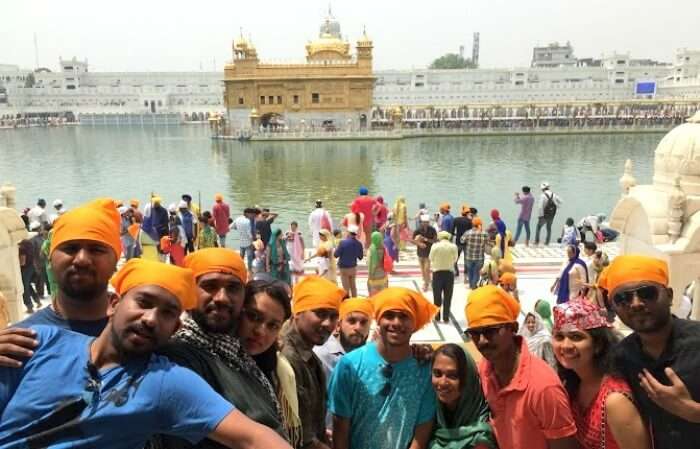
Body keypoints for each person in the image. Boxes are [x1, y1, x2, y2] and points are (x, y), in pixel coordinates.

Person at [0, 258, 291, 449]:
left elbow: (255, 437)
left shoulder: (165, 381)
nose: (151, 319)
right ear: (113, 303)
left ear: (175, 326)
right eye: (144, 302)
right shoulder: (38, 342)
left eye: (166, 313)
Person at [152, 249, 289, 449]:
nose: (222, 298)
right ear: (189, 292)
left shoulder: (239, 357)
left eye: (233, 288)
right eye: (209, 286)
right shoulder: (177, 359)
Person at [601, 255, 700, 449]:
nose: (636, 303)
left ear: (670, 295)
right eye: (623, 298)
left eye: (647, 293)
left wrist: (692, 411)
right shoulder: (621, 357)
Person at [465, 285, 578, 449]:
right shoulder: (485, 368)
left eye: (491, 331)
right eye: (475, 333)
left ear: (513, 328)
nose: (482, 340)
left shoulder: (543, 388)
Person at [329, 287, 438, 449]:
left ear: (414, 322)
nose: (396, 323)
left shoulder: (424, 368)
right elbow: (340, 428)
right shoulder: (350, 365)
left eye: (404, 316)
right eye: (389, 315)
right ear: (378, 320)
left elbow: (422, 430)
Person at [552, 297, 651, 449]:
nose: (565, 346)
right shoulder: (572, 383)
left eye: (576, 337)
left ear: (598, 345)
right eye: (559, 337)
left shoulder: (615, 400)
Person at [281, 275, 345, 449]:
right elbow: (301, 438)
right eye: (320, 314)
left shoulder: (308, 355)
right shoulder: (287, 358)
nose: (328, 323)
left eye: (333, 317)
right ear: (298, 312)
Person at [237, 280, 302, 447]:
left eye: (272, 326)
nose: (260, 331)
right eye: (253, 317)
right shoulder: (214, 363)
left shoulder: (279, 370)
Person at [429, 343, 497, 449]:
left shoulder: (482, 437)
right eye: (437, 374)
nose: (442, 382)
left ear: (468, 379)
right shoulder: (429, 417)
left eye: (452, 375)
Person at [314, 297, 373, 383]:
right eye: (352, 321)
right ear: (338, 325)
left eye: (363, 322)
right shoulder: (321, 355)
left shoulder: (370, 356)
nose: (358, 328)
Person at [430, 231, 458, 323]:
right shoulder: (453, 246)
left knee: (437, 296)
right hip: (449, 273)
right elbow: (455, 259)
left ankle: (437, 316)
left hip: (437, 273)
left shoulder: (435, 246)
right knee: (448, 296)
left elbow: (431, 258)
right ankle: (446, 317)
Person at [334, 225, 364, 297]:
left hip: (344, 268)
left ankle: (347, 303)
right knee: (353, 286)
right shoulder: (359, 244)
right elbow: (360, 257)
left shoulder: (342, 243)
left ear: (349, 233)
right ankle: (354, 301)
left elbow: (336, 255)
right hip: (353, 267)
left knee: (346, 288)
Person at [461, 217, 488, 289]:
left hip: (469, 256)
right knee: (477, 272)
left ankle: (471, 284)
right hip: (479, 257)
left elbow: (462, 241)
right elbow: (487, 241)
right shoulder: (484, 233)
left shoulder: (468, 233)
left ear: (472, 224)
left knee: (470, 271)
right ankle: (473, 285)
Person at [414, 214, 438, 292]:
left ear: (429, 222)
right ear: (421, 222)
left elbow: (435, 241)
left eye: (427, 222)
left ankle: (426, 283)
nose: (425, 223)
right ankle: (426, 280)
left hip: (429, 252)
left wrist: (425, 239)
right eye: (424, 222)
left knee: (427, 268)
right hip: (420, 252)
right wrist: (419, 243)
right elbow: (412, 240)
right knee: (422, 269)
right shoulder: (417, 230)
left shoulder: (432, 230)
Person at [534, 182, 563, 246]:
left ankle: (536, 241)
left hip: (544, 215)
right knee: (549, 228)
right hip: (552, 215)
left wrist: (540, 216)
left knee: (538, 227)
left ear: (542, 189)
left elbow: (540, 207)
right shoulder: (554, 194)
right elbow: (561, 201)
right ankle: (547, 242)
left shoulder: (542, 195)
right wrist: (557, 206)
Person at [18, 238, 41, 313]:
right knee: (28, 286)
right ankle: (37, 301)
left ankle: (29, 306)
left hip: (25, 269)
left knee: (24, 287)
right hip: (31, 267)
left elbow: (22, 262)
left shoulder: (21, 248)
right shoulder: (29, 244)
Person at [367, 231, 389, 295]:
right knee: (383, 295)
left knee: (374, 296)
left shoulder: (371, 250)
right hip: (383, 275)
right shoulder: (384, 248)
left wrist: (370, 275)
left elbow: (371, 264)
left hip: (374, 277)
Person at [452, 205, 472, 277]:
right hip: (467, 243)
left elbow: (452, 231)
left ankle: (456, 272)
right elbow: (471, 232)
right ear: (468, 213)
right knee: (466, 259)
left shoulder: (456, 220)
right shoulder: (470, 221)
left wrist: (454, 235)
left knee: (455, 258)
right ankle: (466, 273)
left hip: (458, 242)